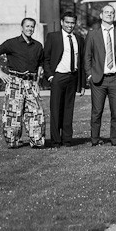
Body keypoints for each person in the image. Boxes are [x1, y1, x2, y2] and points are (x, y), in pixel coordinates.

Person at [0, 18, 46, 148]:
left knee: (36, 112)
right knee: (13, 113)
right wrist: (0, 72)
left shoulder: (38, 46)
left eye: (32, 27)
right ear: (22, 27)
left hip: (31, 82)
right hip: (15, 81)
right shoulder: (11, 43)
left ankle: (37, 140)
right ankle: (12, 141)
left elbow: (40, 64)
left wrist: (37, 80)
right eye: (27, 26)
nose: (29, 29)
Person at [84, 5, 116, 146]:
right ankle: (95, 139)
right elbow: (87, 56)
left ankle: (115, 139)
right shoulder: (93, 34)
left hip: (115, 78)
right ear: (101, 15)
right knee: (96, 112)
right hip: (98, 79)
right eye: (106, 12)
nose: (109, 15)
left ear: (114, 15)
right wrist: (90, 75)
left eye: (112, 13)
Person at [43, 11, 86, 147]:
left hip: (72, 77)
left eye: (72, 23)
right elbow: (46, 59)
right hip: (58, 77)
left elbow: (82, 62)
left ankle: (67, 140)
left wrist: (82, 84)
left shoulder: (78, 39)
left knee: (69, 109)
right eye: (67, 22)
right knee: (56, 109)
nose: (69, 25)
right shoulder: (53, 37)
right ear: (62, 22)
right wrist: (50, 76)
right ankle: (56, 140)